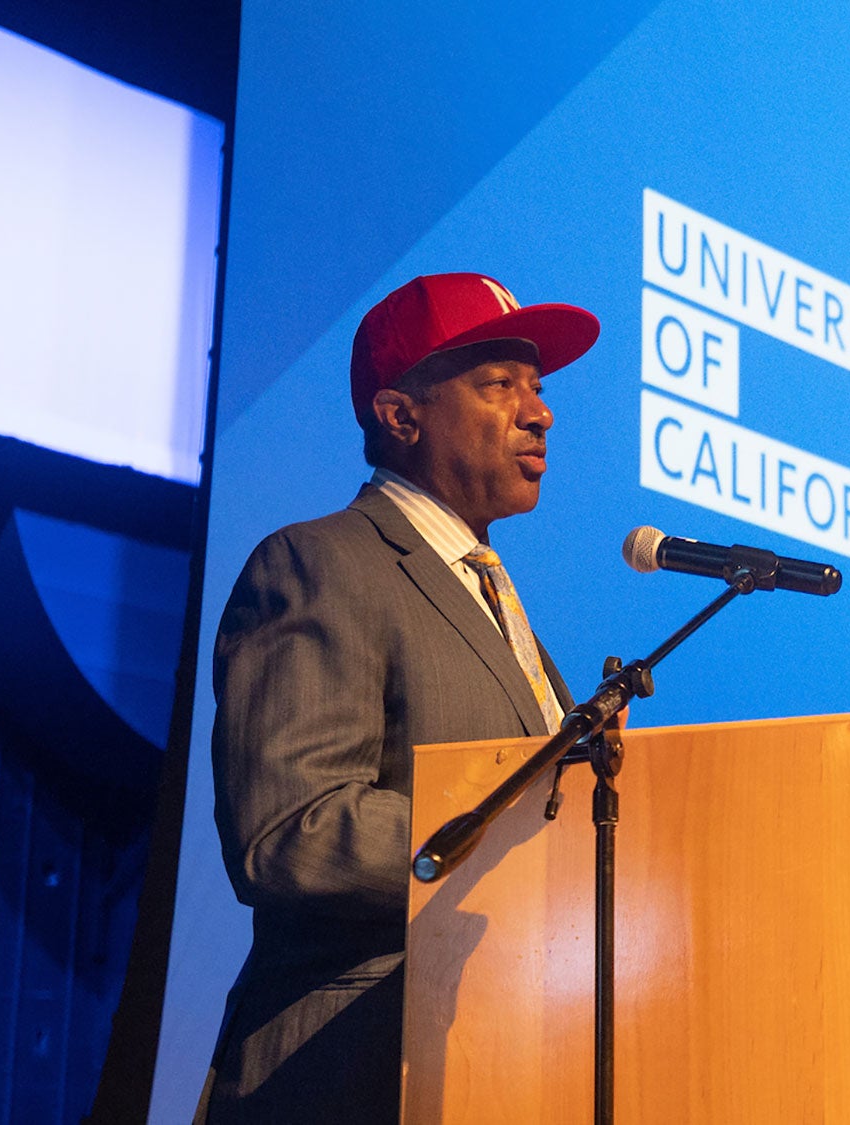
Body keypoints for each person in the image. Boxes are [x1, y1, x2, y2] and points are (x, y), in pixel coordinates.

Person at [197, 273, 601, 1123]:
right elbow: (290, 833)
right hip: (347, 1072)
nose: (541, 413)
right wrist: (521, 846)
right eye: (501, 385)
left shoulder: (495, 600)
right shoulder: (321, 564)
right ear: (400, 414)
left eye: (538, 387)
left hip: (496, 1065)